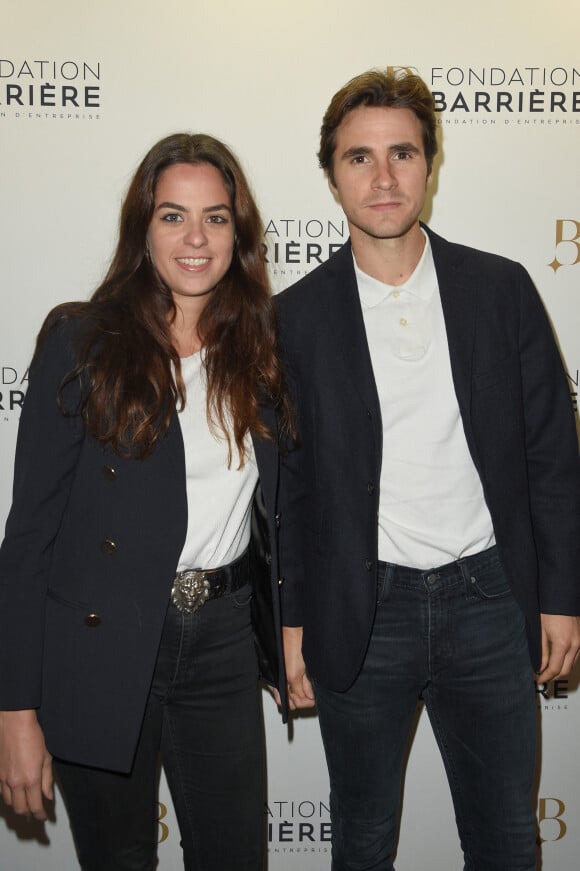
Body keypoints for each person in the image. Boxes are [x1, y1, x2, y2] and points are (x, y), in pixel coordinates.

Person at [276, 68, 580, 870]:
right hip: (362, 607)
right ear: (333, 175)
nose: (383, 177)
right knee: (365, 840)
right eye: (359, 158)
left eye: (402, 153)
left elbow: (551, 454)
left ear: (430, 164)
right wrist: (290, 618)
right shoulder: (295, 318)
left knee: (508, 838)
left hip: (488, 597)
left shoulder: (500, 288)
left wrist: (560, 595)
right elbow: (290, 488)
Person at [0, 132, 291, 871]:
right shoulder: (82, 344)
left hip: (222, 638)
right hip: (101, 640)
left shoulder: (262, 349)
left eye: (216, 217)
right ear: (143, 229)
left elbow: (295, 511)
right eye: (173, 215)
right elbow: (28, 540)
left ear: (239, 231)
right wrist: (14, 711)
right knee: (119, 859)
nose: (196, 238)